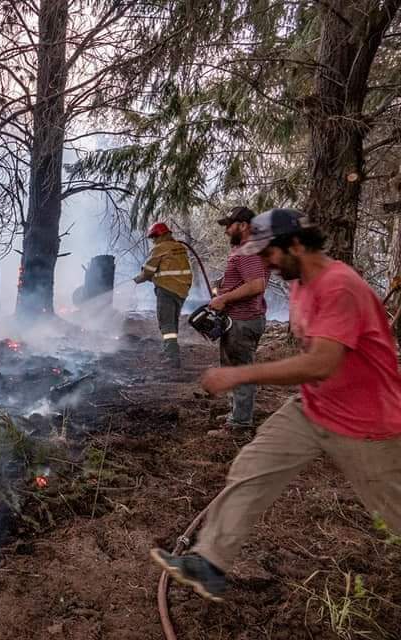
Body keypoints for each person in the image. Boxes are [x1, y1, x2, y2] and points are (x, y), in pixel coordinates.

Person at [151, 208, 401, 602]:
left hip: (367, 423)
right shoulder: (301, 281)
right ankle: (210, 563)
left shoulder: (339, 287)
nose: (264, 262)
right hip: (314, 407)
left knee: (395, 513)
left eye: (268, 253)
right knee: (252, 468)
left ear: (296, 245)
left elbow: (322, 362)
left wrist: (239, 374)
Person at [209, 206, 269, 430]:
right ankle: (236, 413)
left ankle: (240, 423)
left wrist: (224, 299)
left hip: (242, 321)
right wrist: (223, 286)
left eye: (229, 225)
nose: (226, 231)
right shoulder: (245, 249)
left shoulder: (248, 250)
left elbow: (256, 285)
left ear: (243, 226)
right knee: (234, 368)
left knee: (241, 370)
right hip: (238, 319)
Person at [134, 222, 193, 367]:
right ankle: (169, 349)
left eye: (154, 237)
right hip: (182, 291)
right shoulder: (179, 247)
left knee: (166, 324)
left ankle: (172, 357)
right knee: (172, 322)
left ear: (160, 235)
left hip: (166, 290)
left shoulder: (160, 248)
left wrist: (136, 280)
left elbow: (148, 271)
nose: (153, 240)